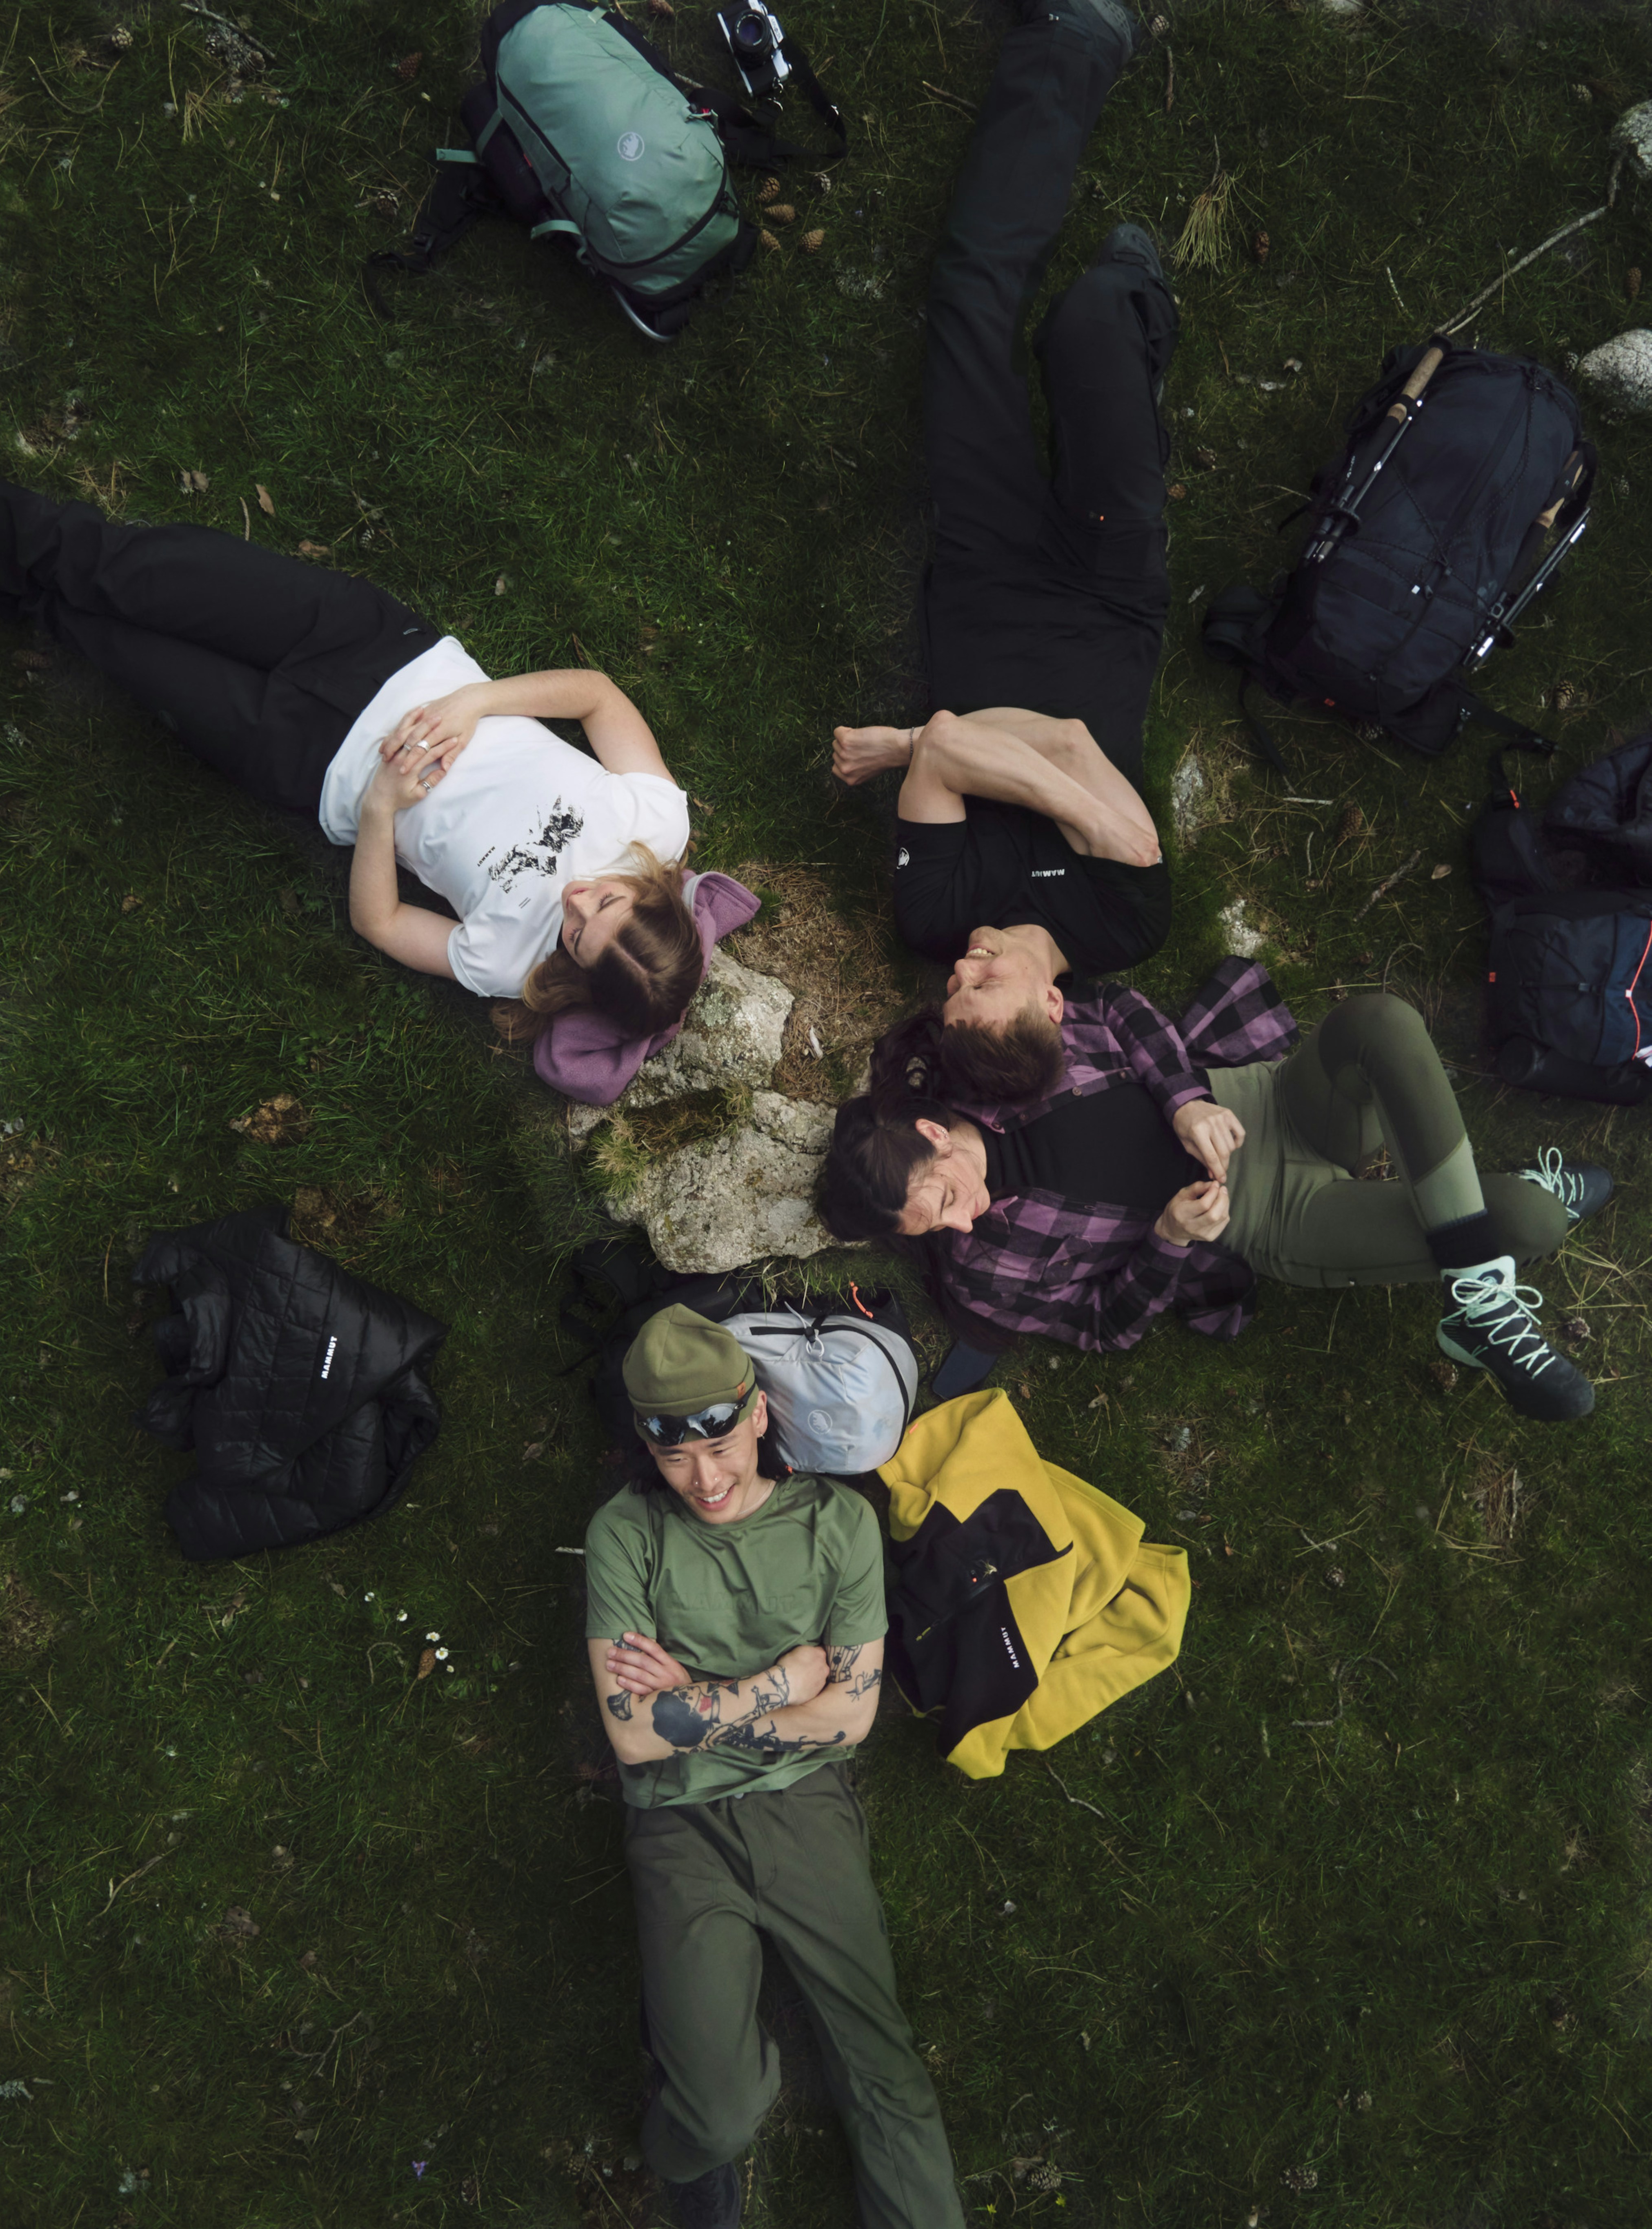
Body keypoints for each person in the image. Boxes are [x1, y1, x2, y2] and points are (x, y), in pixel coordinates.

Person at [0, 474, 701, 1042]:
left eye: (578, 937)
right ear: (651, 892)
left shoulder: (511, 965)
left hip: (306, 758)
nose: (575, 902)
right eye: (605, 901)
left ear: (575, 971)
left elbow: (381, 923)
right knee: (117, 568)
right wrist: (476, 702)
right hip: (376, 650)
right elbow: (598, 697)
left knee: (100, 638)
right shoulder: (654, 824)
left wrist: (381, 806)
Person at [831, 0, 1174, 1104]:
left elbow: (1008, 764)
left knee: (970, 303)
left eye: (953, 986)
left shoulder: (931, 914)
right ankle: (1135, 298)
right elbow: (1059, 739)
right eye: (989, 982)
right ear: (1055, 1005)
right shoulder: (1125, 924)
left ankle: (1077, 39)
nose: (964, 961)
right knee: (1084, 323)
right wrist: (935, 740)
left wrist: (961, 753)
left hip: (981, 576)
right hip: (1110, 596)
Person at [819, 964, 1613, 1424]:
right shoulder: (982, 1265)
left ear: (930, 1135)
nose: (963, 1223)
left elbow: (1116, 1008)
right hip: (1272, 1215)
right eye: (934, 1229)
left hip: (1265, 1099)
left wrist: (1183, 1100)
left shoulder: (988, 1064)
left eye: (946, 1198)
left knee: (1380, 1021)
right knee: (1529, 1218)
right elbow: (1103, 1328)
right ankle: (1475, 1297)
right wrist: (1167, 1239)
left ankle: (1473, 1294)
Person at [584, 1307, 963, 2229]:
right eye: (675, 1456)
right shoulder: (625, 1535)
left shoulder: (838, 1526)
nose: (705, 1479)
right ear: (646, 1441)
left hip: (806, 1810)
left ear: (756, 1412)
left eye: (720, 1441)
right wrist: (773, 1684)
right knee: (717, 2111)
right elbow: (636, 1738)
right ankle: (685, 2143)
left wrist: (698, 1703)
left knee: (883, 2068)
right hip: (678, 1824)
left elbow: (850, 1717)